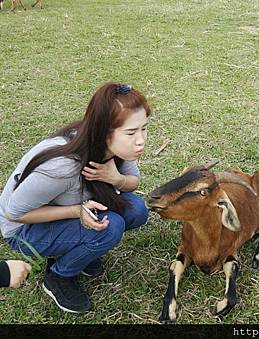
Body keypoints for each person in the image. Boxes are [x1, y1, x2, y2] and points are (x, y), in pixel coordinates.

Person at [0, 82, 150, 312]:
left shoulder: (119, 148)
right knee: (111, 227)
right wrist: (76, 211)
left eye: (144, 128)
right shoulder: (63, 167)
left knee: (137, 210)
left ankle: (78, 251)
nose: (141, 139)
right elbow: (15, 213)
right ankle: (58, 276)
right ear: (103, 131)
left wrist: (115, 178)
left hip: (64, 210)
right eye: (131, 132)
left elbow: (133, 184)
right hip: (22, 230)